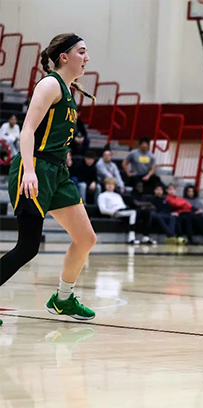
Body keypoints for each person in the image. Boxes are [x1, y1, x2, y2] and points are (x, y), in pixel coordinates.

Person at [0, 33, 97, 327]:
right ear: (64, 57)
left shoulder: (68, 90)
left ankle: (63, 298)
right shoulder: (50, 84)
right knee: (28, 246)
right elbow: (26, 131)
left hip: (57, 173)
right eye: (82, 51)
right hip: (35, 169)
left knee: (86, 239)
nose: (87, 57)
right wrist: (29, 171)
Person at [97, 178, 155, 245]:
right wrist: (113, 212)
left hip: (124, 209)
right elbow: (102, 210)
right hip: (116, 212)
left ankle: (145, 236)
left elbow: (122, 205)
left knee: (146, 212)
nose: (110, 186)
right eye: (108, 184)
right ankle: (131, 238)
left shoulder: (117, 195)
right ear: (105, 185)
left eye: (112, 184)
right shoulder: (102, 195)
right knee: (133, 212)